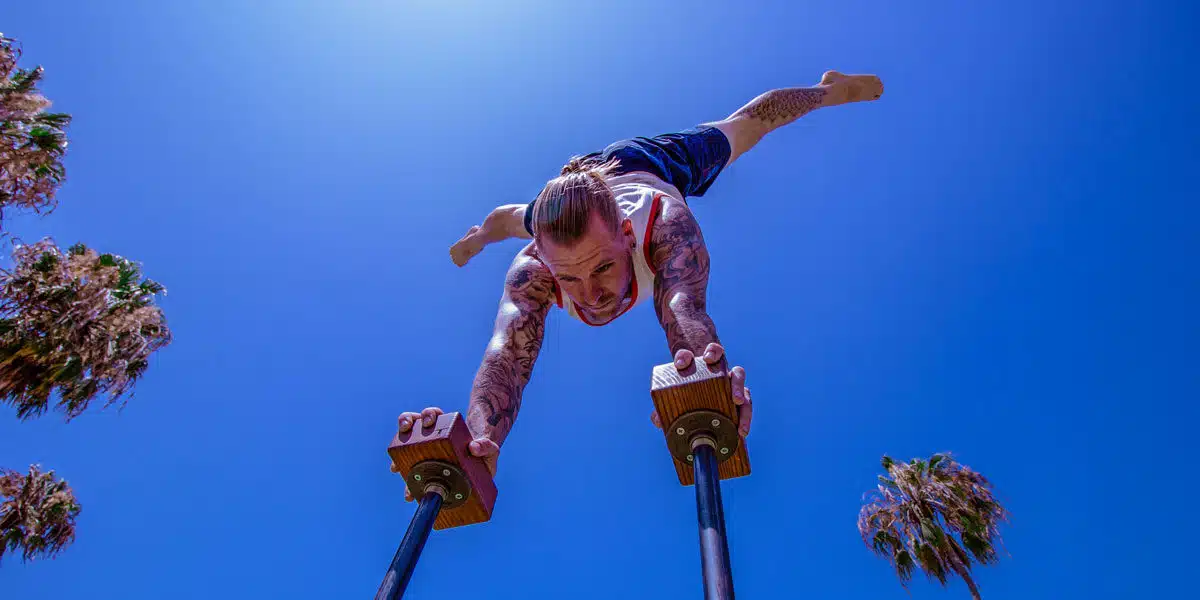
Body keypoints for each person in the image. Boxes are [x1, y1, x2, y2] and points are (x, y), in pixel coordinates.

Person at [394, 71, 883, 498]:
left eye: (603, 268)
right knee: (508, 220)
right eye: (570, 278)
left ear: (627, 236)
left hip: (649, 163)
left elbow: (682, 303)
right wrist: (480, 442)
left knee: (750, 124)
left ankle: (826, 88)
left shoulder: (663, 223)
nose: (590, 295)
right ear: (545, 260)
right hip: (568, 195)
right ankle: (477, 235)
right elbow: (507, 354)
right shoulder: (535, 262)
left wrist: (705, 372)